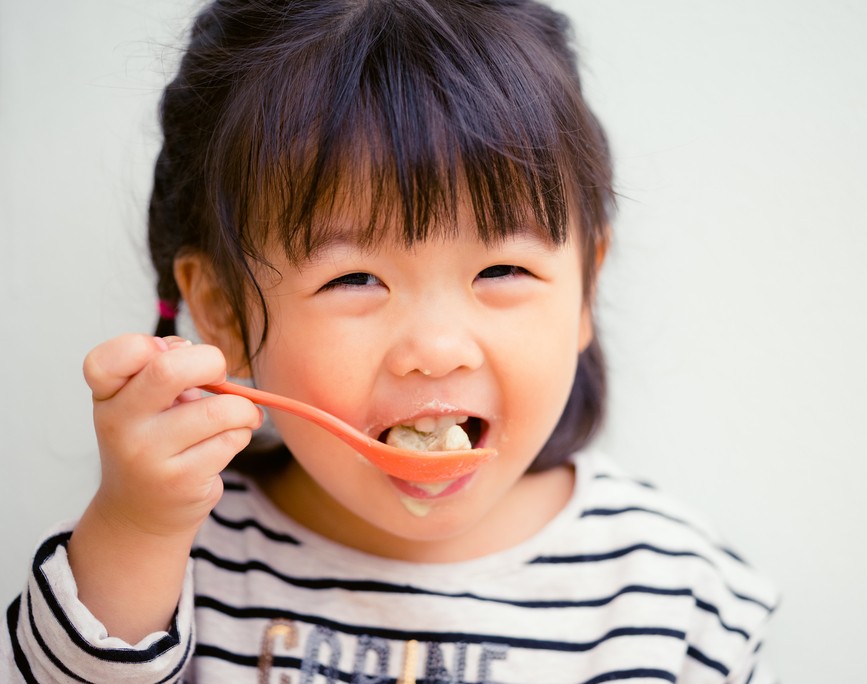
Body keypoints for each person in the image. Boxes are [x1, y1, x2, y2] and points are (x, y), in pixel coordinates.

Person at [2, 0, 778, 681]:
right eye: (355, 280)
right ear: (228, 315)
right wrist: (137, 529)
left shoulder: (681, 600)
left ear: (587, 290)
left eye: (503, 268)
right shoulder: (179, 562)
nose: (438, 349)